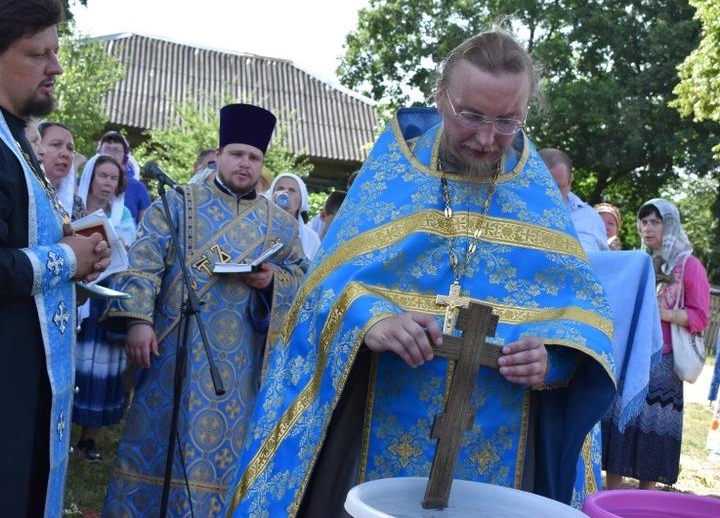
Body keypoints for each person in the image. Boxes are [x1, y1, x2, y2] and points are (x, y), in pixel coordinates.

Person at [226, 28, 616, 517]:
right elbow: (320, 289)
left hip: (501, 446)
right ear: (441, 96)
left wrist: (553, 361)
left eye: (508, 120)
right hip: (376, 431)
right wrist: (369, 317)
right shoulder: (393, 177)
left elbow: (583, 319)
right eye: (471, 115)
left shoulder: (538, 197)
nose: (487, 137)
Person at [0, 0, 111, 517]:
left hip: (15, 372)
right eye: (38, 54)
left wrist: (77, 258)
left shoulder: (10, 135)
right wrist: (67, 260)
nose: (55, 67)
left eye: (54, 52)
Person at [101, 103, 309, 517]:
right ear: (219, 154)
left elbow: (305, 280)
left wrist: (273, 282)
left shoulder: (282, 225)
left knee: (225, 457)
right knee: (159, 443)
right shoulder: (177, 203)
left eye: (254, 157)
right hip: (174, 350)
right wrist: (139, 321)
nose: (245, 164)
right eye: (237, 154)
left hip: (241, 364)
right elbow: (143, 262)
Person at [603, 198, 710, 490]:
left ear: (670, 225)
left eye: (655, 222)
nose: (647, 228)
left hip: (663, 362)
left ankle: (644, 501)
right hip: (632, 354)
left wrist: (662, 313)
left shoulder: (689, 266)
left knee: (653, 432)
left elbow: (701, 317)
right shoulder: (638, 261)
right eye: (644, 221)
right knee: (621, 424)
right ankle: (611, 495)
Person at [71, 155, 135, 461]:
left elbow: (132, 253)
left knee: (102, 365)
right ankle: (64, 430)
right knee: (76, 360)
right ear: (90, 178)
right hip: (79, 297)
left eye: (114, 178)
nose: (108, 183)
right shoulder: (72, 206)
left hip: (107, 298)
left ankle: (89, 438)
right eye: (103, 176)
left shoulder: (124, 216)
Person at [541, 148, 609, 252]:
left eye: (557, 187)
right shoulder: (514, 211)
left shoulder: (590, 218)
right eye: (542, 186)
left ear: (570, 181)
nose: (549, 193)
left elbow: (604, 263)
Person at [95, 130, 151, 224]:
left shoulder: (138, 187)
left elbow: (145, 226)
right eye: (107, 148)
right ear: (99, 152)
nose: (111, 153)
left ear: (125, 156)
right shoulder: (85, 182)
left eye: (116, 150)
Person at [267, 173, 322, 259]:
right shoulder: (261, 228)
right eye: (280, 189)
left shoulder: (311, 238)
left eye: (292, 190)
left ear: (301, 199)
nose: (285, 193)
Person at [40, 121, 86, 220]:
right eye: (56, 144)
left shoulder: (77, 204)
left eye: (70, 148)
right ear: (37, 147)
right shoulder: (23, 192)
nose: (65, 153)